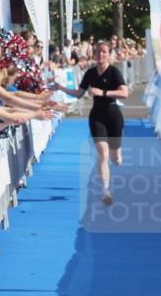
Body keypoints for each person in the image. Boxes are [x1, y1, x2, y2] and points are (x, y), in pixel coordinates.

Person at [51, 41, 129, 204]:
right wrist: (60, 87)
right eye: (98, 51)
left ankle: (118, 155)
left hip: (114, 115)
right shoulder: (90, 73)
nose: (101, 54)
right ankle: (106, 191)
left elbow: (125, 93)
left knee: (116, 159)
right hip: (97, 116)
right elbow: (79, 93)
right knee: (103, 153)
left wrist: (103, 92)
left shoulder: (114, 72)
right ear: (94, 54)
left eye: (104, 52)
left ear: (109, 55)